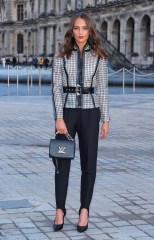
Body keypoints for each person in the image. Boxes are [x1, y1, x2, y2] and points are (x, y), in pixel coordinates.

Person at [51, 12, 110, 233]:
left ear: (90, 30)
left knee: (89, 165)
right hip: (67, 112)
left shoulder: (99, 56)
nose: (80, 32)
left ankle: (84, 210)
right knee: (61, 164)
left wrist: (106, 118)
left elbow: (103, 89)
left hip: (90, 112)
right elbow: (56, 87)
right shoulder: (61, 54)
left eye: (84, 28)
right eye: (76, 28)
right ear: (71, 30)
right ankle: (60, 209)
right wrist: (58, 117)